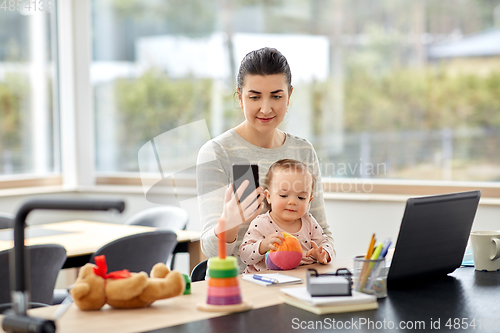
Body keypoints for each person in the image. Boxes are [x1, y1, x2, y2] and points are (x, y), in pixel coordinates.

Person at [196, 47, 335, 272]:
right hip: (243, 285)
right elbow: (211, 250)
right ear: (240, 97)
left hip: (299, 282)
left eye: (276, 96)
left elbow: (323, 233)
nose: (266, 108)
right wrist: (229, 223)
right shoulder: (216, 153)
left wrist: (323, 253)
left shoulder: (303, 150)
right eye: (254, 97)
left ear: (289, 95)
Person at [239, 159, 333, 273]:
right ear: (268, 197)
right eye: (284, 195)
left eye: (301, 197)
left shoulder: (309, 222)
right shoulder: (261, 223)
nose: (292, 202)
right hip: (264, 282)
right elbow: (244, 255)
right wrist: (262, 246)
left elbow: (326, 243)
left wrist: (323, 254)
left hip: (299, 280)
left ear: (309, 200)